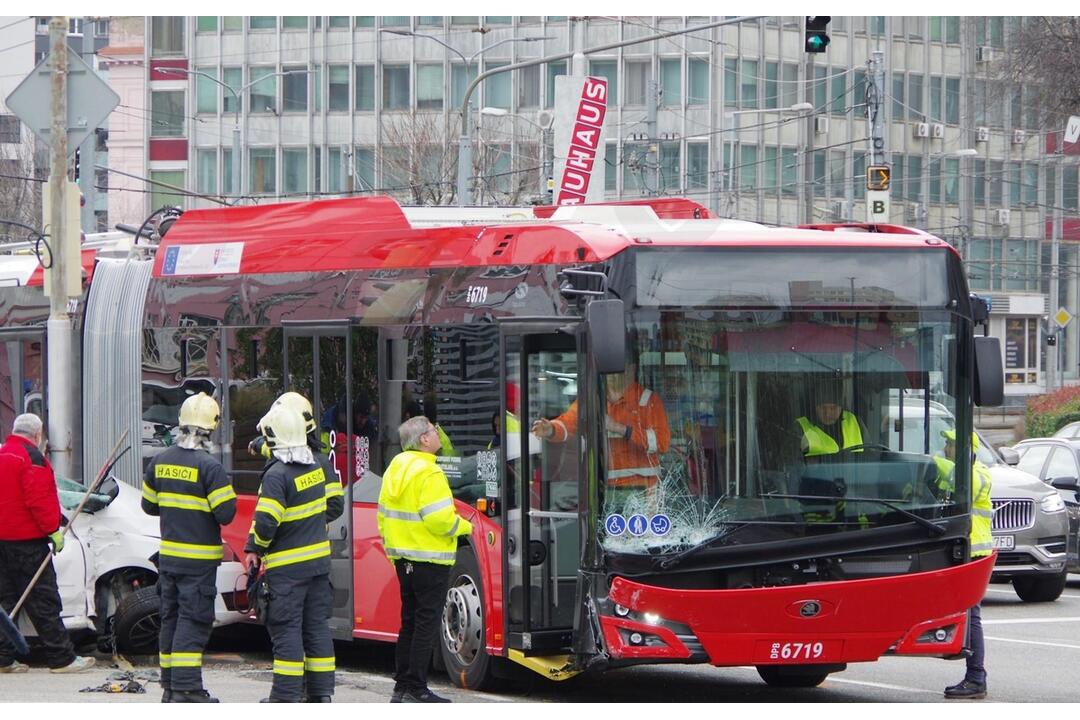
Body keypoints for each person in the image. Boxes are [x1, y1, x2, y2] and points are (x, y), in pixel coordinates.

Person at [142, 393, 236, 702]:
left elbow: (149, 506)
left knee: (170, 619)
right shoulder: (211, 468)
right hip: (198, 565)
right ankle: (186, 689)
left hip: (169, 560)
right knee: (193, 622)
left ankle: (170, 686)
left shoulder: (159, 461)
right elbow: (226, 514)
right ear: (211, 429)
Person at [245, 404, 340, 703]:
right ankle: (321, 696)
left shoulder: (276, 475)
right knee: (316, 631)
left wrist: (254, 549)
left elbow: (266, 522)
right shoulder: (315, 468)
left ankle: (284, 699)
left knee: (286, 633)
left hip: (287, 571)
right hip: (317, 567)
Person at [378, 416, 473, 703]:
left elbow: (382, 516)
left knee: (409, 621)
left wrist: (394, 550)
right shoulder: (429, 473)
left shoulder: (396, 467)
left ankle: (402, 687)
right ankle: (417, 688)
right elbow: (440, 520)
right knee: (426, 624)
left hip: (403, 559)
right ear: (423, 440)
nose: (438, 435)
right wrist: (466, 527)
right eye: (434, 431)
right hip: (430, 560)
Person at [0, 414, 95, 675]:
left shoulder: (2, 454)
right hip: (28, 542)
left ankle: (3, 658)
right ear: (38, 435)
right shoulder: (32, 459)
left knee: (7, 601)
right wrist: (53, 530)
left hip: (2, 542)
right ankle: (61, 658)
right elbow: (39, 500)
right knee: (44, 602)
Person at [531, 360, 670, 499]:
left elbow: (662, 443)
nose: (612, 374)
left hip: (643, 490)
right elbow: (569, 422)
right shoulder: (591, 399)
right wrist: (551, 429)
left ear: (632, 369)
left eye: (617, 368)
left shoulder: (648, 400)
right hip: (603, 490)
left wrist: (620, 428)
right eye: (608, 369)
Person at [941, 429, 993, 700]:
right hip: (965, 550)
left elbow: (960, 483)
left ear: (963, 450)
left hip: (975, 553)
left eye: (949, 444)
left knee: (972, 616)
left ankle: (976, 677)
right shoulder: (962, 470)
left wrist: (927, 462)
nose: (945, 449)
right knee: (965, 614)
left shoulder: (977, 473)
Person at [250, 392, 345, 520]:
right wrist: (257, 443)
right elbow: (271, 450)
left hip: (296, 536)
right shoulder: (282, 453)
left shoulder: (318, 462)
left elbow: (336, 505)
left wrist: (310, 524)